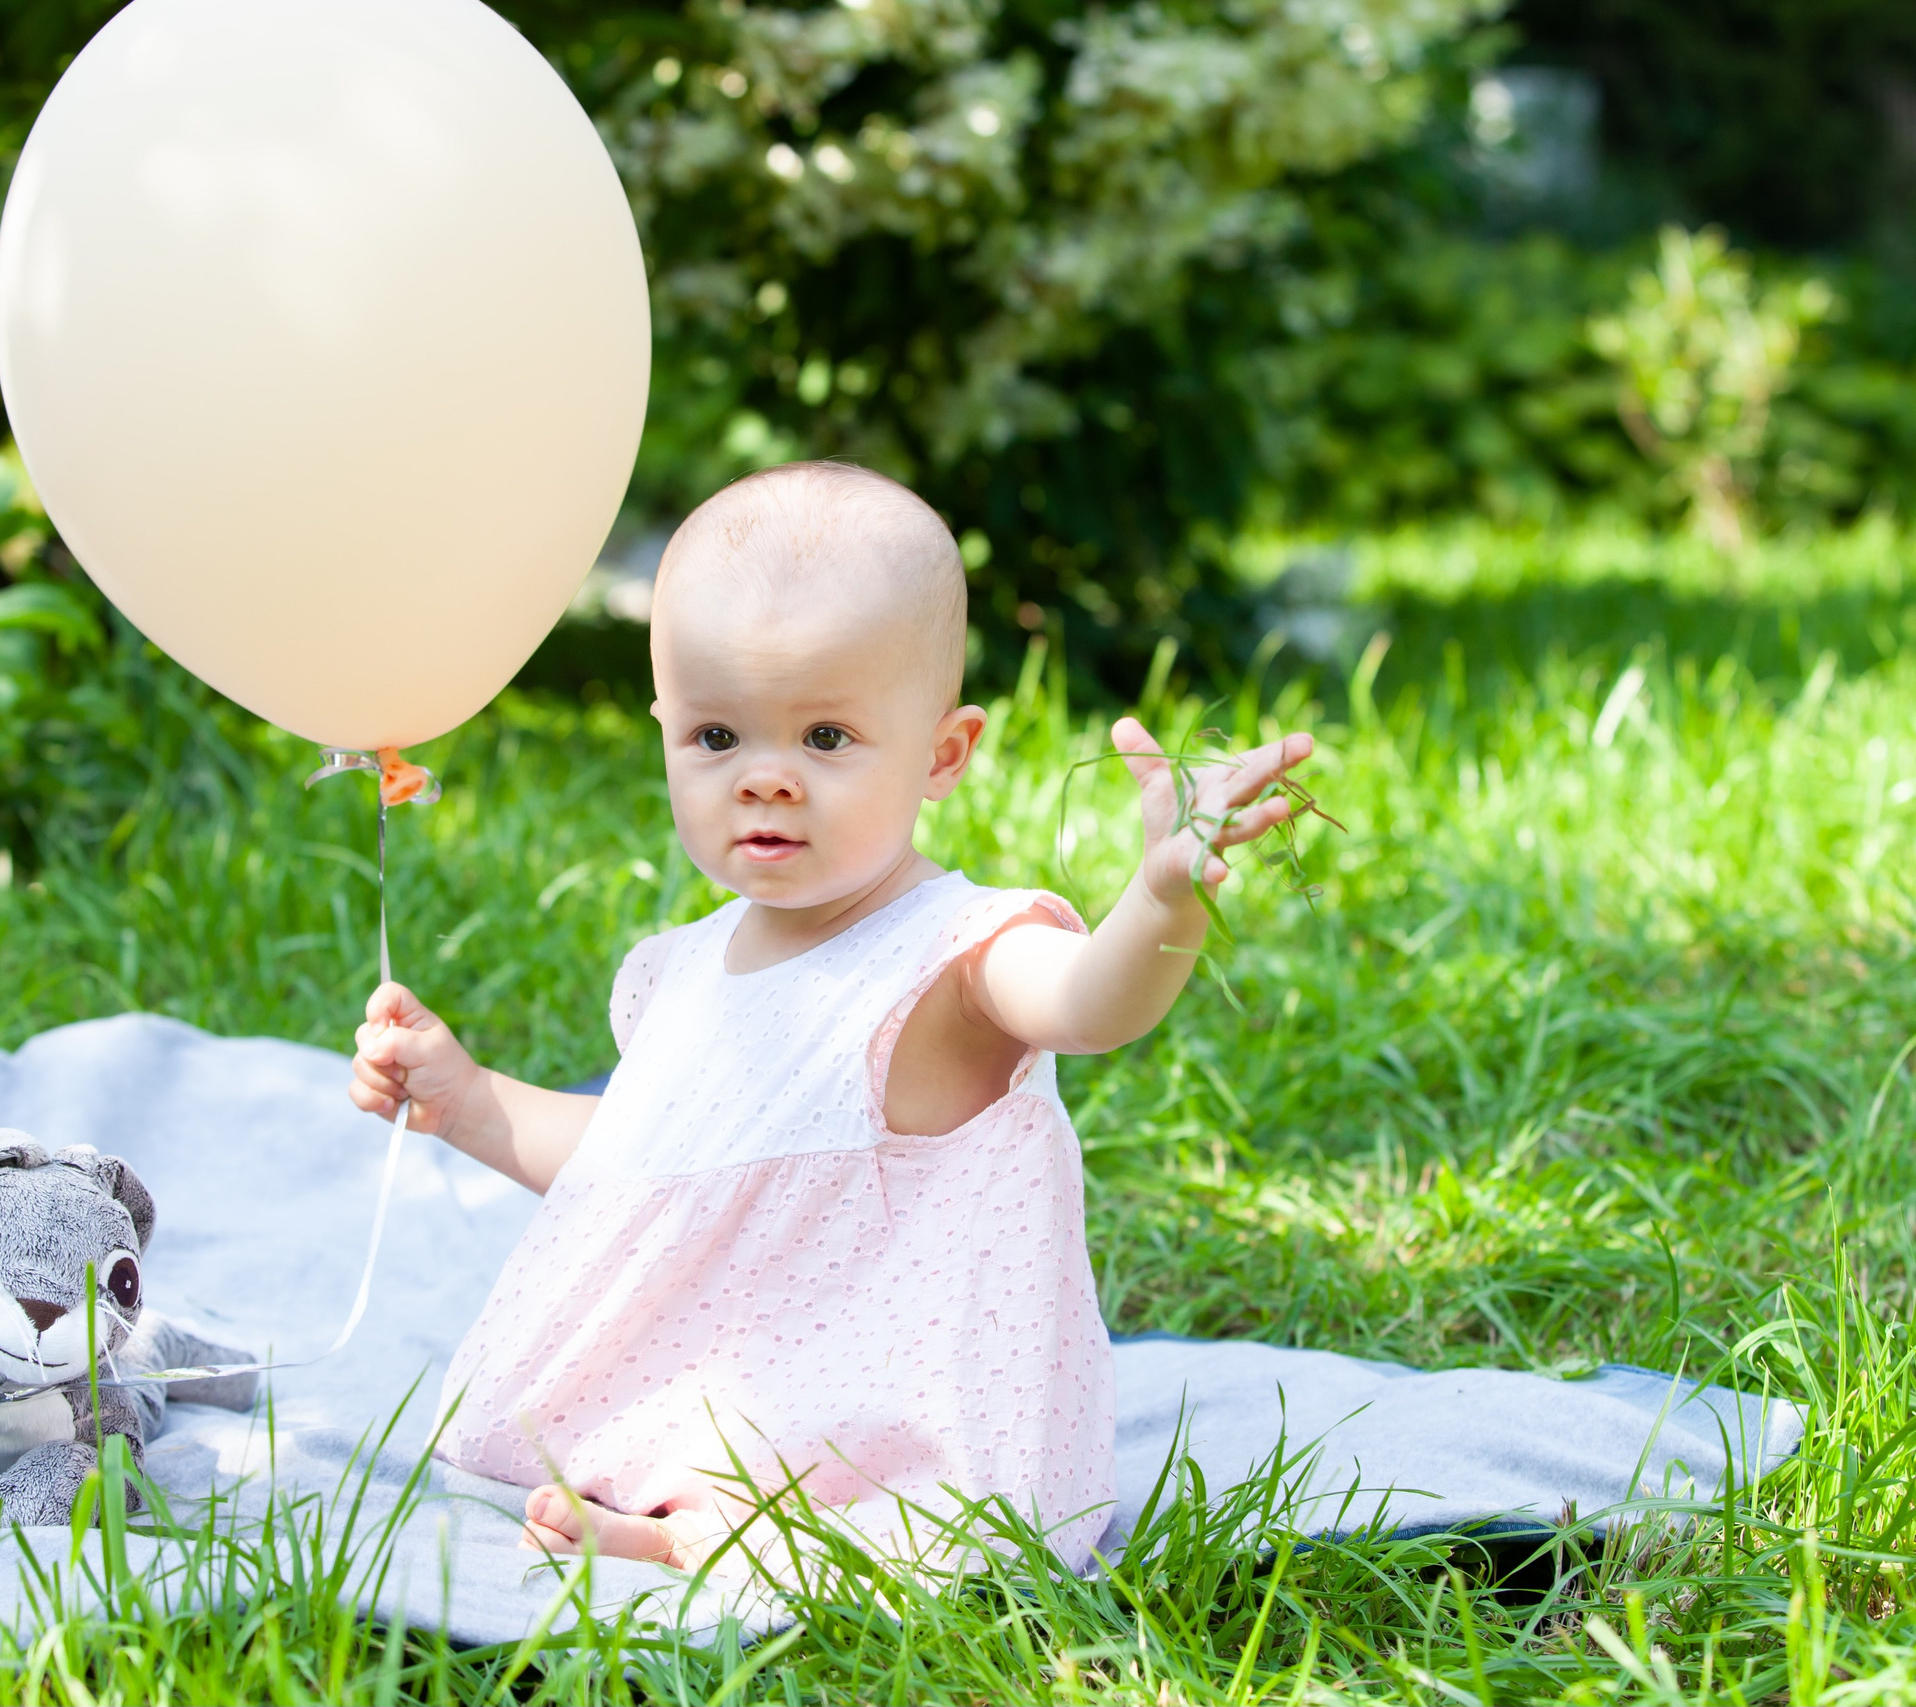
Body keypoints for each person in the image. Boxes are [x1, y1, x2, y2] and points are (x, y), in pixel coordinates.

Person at [347, 462, 1315, 1573]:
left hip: (900, 1417)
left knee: (891, 1518)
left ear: (942, 754)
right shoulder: (687, 967)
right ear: (664, 729)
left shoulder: (959, 955)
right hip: (737, 1369)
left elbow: (1090, 1004)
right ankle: (681, 1506)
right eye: (717, 739)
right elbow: (642, 1166)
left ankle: (697, 1544)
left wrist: (1157, 897)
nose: (764, 779)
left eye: (824, 739)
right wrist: (468, 1102)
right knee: (626, 1420)